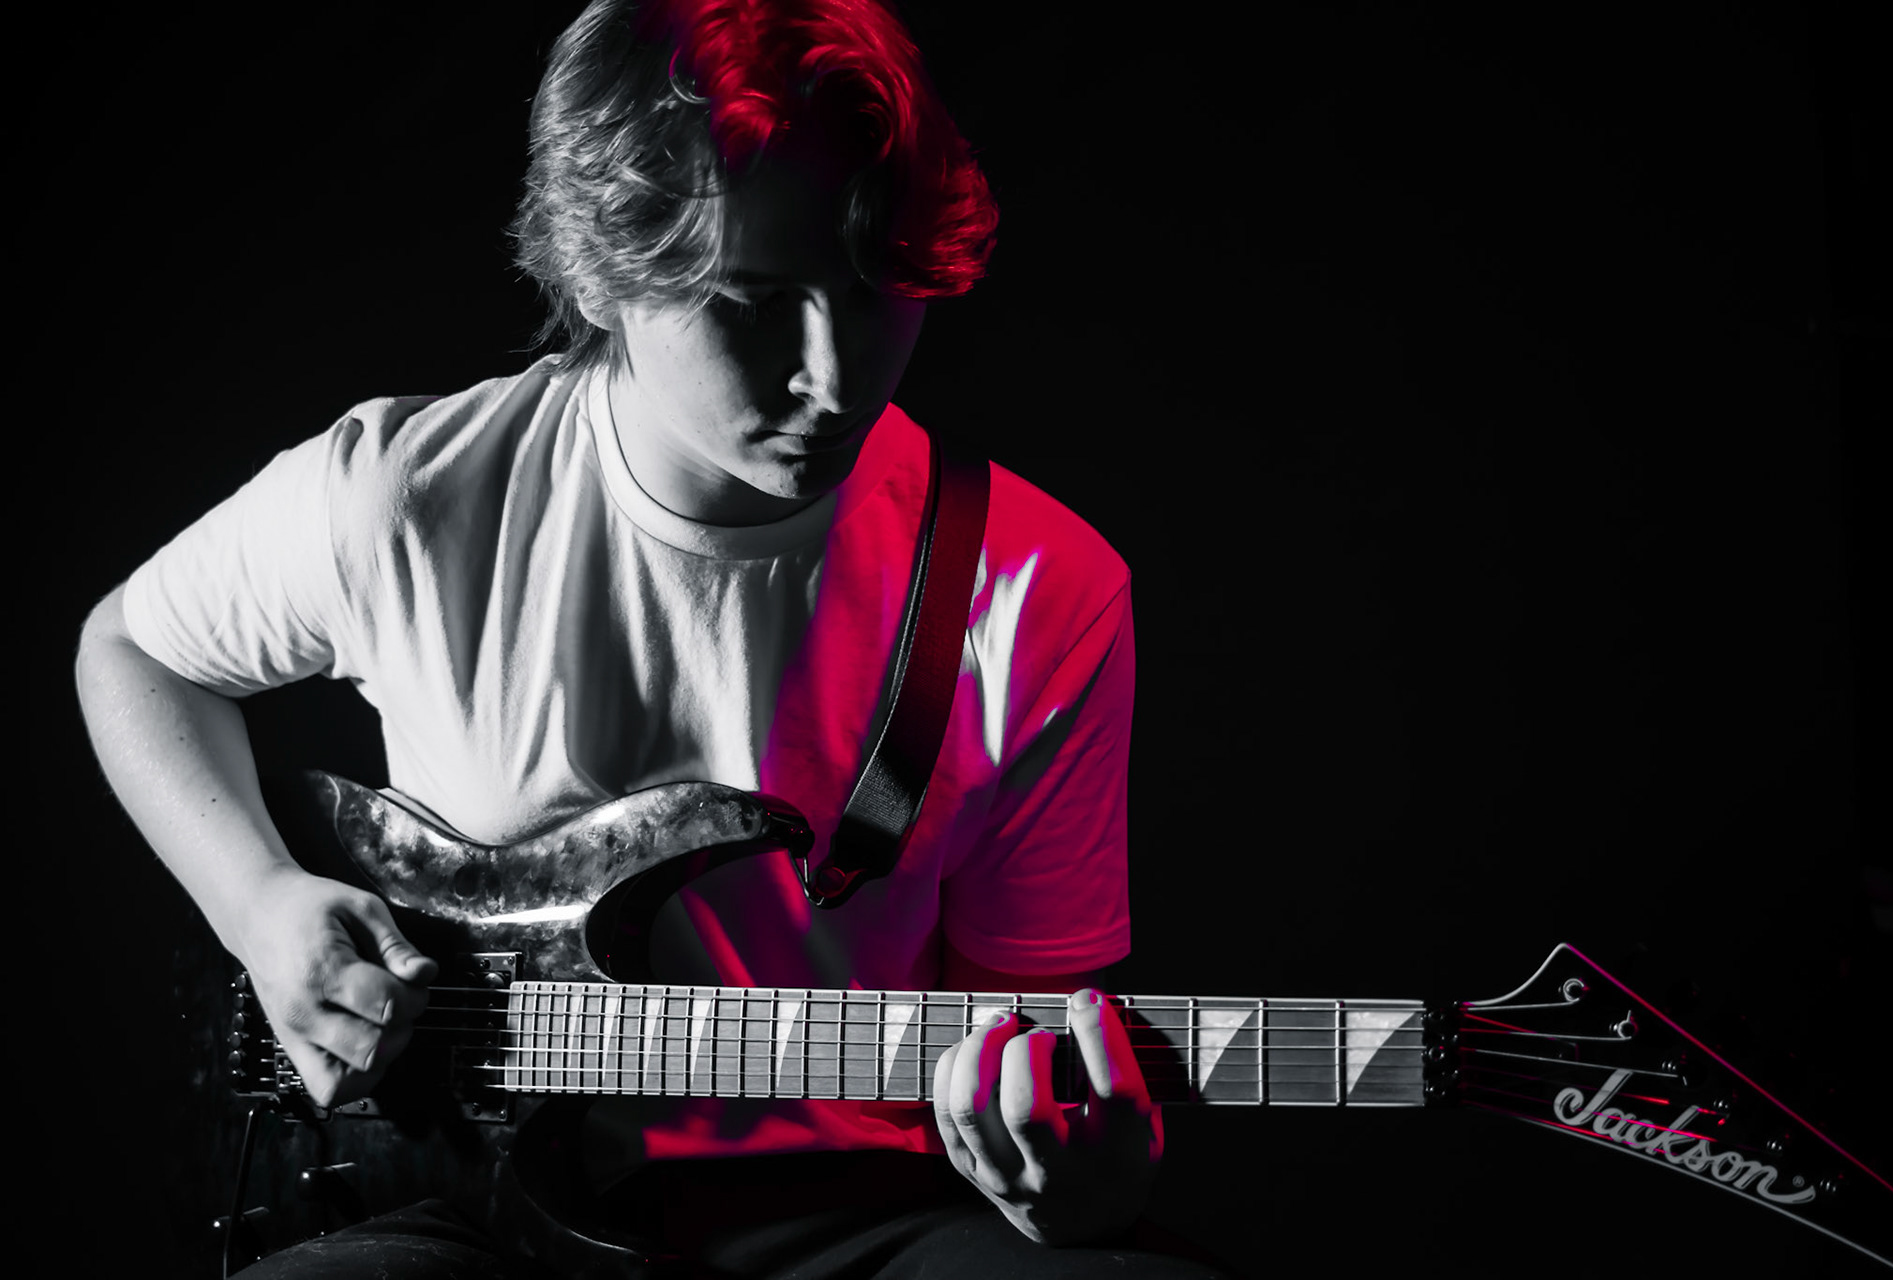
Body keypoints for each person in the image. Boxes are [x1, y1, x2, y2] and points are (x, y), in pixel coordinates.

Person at [75, 1, 1223, 1276]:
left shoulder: (1043, 586)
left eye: (876, 289)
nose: (834, 376)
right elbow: (129, 649)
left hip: (862, 1211)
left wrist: (1067, 1185)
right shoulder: (409, 491)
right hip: (458, 1201)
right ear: (602, 274)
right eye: (756, 301)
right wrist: (260, 902)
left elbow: (1023, 1051)